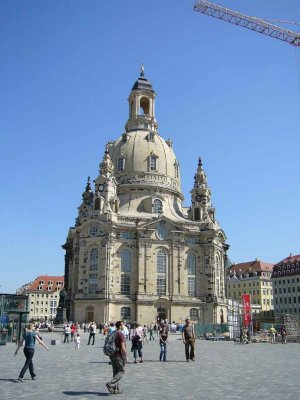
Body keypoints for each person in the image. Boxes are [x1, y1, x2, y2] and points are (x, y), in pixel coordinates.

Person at [106, 320, 127, 395]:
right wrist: (126, 355)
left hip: (112, 354)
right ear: (120, 326)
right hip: (118, 355)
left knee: (115, 372)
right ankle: (111, 384)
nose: (123, 325)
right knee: (121, 371)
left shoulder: (113, 332)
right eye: (123, 324)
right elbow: (123, 347)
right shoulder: (120, 334)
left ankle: (116, 390)